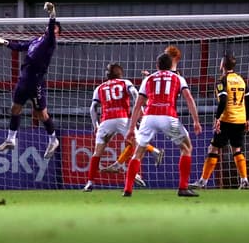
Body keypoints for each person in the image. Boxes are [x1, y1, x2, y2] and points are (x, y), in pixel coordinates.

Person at [124, 51, 201, 198]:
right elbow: (189, 98)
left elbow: (138, 104)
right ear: (171, 64)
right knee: (186, 148)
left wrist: (131, 128)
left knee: (138, 153)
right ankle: (183, 188)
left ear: (157, 65)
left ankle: (127, 189)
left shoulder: (148, 79)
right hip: (168, 116)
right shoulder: (178, 78)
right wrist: (196, 121)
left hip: (149, 117)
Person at [0, 1, 63, 159]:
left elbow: (51, 29)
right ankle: (11, 139)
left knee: (41, 114)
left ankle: (53, 140)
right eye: (52, 26)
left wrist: (52, 14)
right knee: (15, 108)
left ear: (57, 33)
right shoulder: (35, 41)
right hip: (23, 80)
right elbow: (20, 46)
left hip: (36, 82)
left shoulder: (50, 42)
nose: (51, 29)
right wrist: (5, 42)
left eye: (54, 28)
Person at [107, 45, 179, 173]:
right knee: (135, 139)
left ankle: (128, 168)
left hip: (160, 112)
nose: (164, 57)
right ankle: (124, 165)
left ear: (173, 58)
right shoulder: (166, 75)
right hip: (153, 110)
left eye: (167, 54)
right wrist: (149, 76)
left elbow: (166, 89)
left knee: (136, 139)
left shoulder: (175, 76)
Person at [192, 54, 249, 189]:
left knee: (213, 149)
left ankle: (203, 181)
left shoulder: (222, 81)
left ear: (222, 65)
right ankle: (244, 180)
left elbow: (223, 100)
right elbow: (248, 101)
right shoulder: (242, 80)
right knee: (237, 149)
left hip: (227, 119)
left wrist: (217, 118)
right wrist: (247, 118)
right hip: (240, 120)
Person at [83, 62, 138, 192]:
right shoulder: (125, 82)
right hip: (123, 118)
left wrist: (96, 125)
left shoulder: (100, 87)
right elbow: (135, 94)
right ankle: (134, 174)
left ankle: (89, 183)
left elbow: (92, 108)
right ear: (120, 73)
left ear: (108, 74)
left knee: (97, 152)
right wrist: (138, 109)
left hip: (106, 120)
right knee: (137, 146)